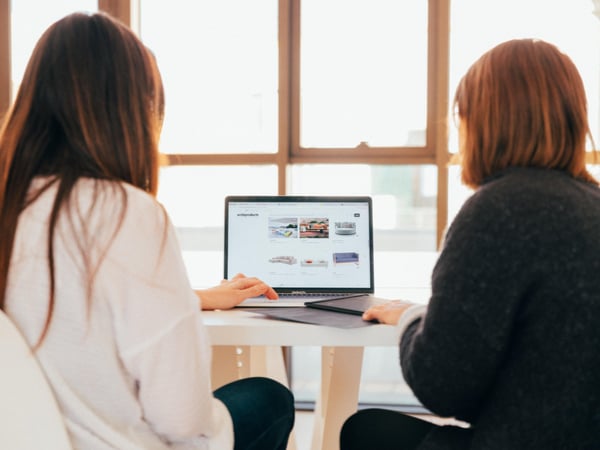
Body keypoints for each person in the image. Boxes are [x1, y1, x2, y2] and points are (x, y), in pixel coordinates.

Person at [0, 12, 294, 450]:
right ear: (133, 111)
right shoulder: (125, 213)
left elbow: (65, 306)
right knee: (269, 398)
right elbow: (181, 418)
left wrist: (194, 298)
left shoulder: (11, 203)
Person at [340, 38, 600, 449]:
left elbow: (442, 388)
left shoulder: (498, 210)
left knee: (363, 431)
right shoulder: (592, 201)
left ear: (482, 122)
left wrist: (410, 319)